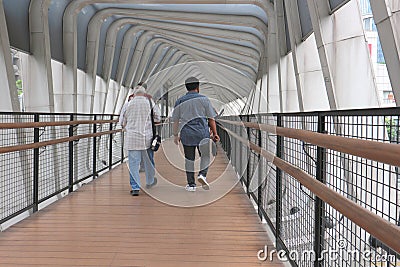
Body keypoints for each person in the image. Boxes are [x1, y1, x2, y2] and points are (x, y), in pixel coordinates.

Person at [172, 77, 220, 192]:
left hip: (186, 134)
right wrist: (215, 133)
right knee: (205, 156)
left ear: (186, 87)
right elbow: (211, 118)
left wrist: (175, 135)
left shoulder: (180, 101)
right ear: (198, 87)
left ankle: (191, 185)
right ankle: (202, 175)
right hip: (202, 133)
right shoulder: (204, 100)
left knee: (189, 159)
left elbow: (176, 120)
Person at [123, 84, 161, 196]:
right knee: (149, 160)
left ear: (134, 94)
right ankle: (149, 182)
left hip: (132, 138)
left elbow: (122, 122)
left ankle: (135, 188)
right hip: (147, 138)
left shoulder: (128, 104)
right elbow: (158, 118)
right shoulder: (150, 103)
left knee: (133, 163)